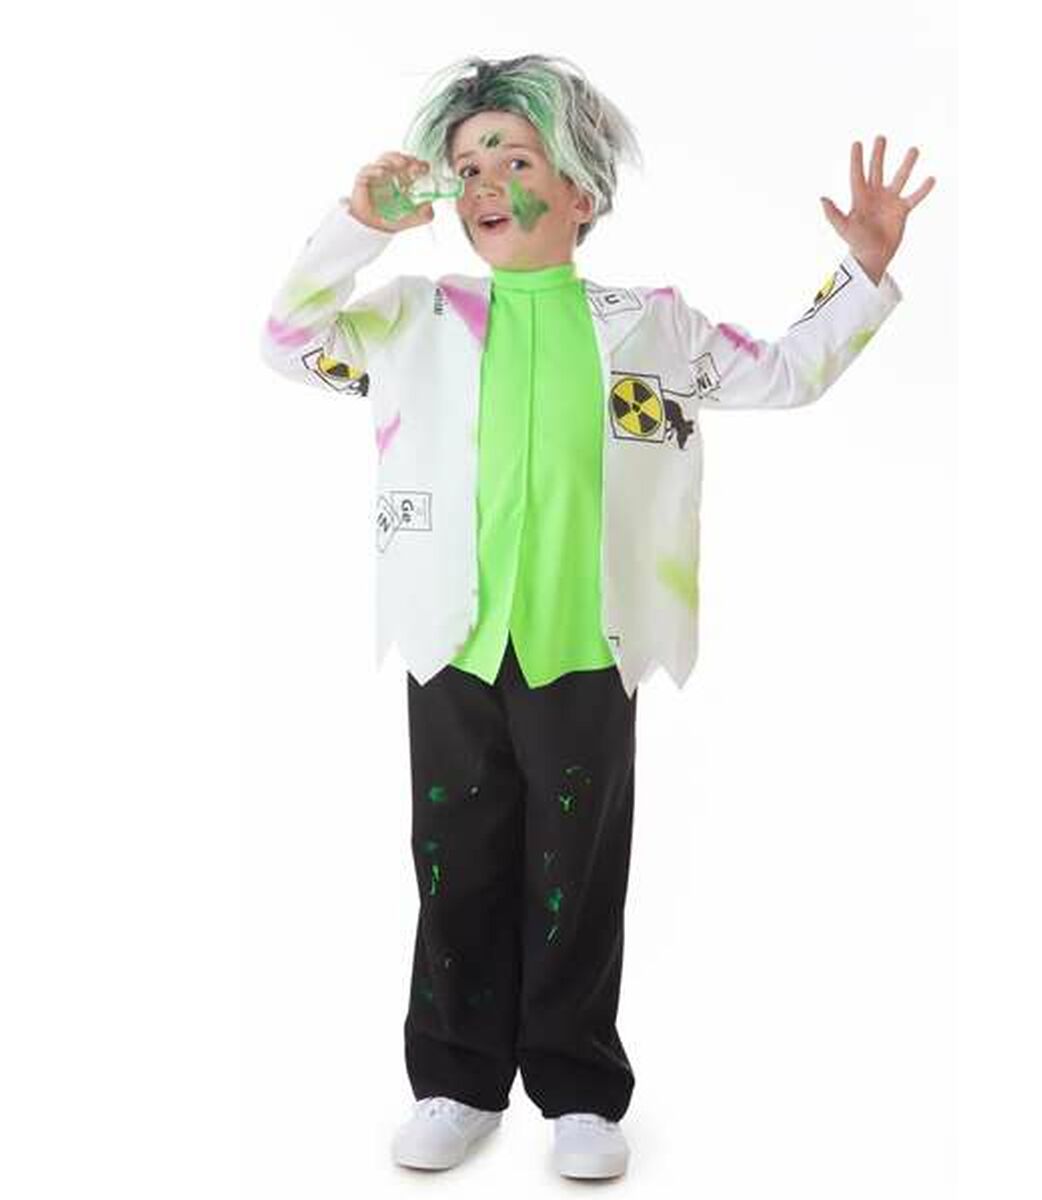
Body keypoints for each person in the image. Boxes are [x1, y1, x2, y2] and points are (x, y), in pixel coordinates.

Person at [259, 51, 933, 1180]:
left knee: (576, 871)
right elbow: (285, 341)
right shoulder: (414, 315)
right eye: (469, 164)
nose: (487, 182)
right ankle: (456, 1080)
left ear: (580, 190)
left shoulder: (650, 326)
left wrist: (861, 270)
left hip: (589, 647)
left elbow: (786, 375)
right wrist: (357, 227)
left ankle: (576, 1086)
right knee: (454, 864)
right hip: (453, 644)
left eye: (516, 160)